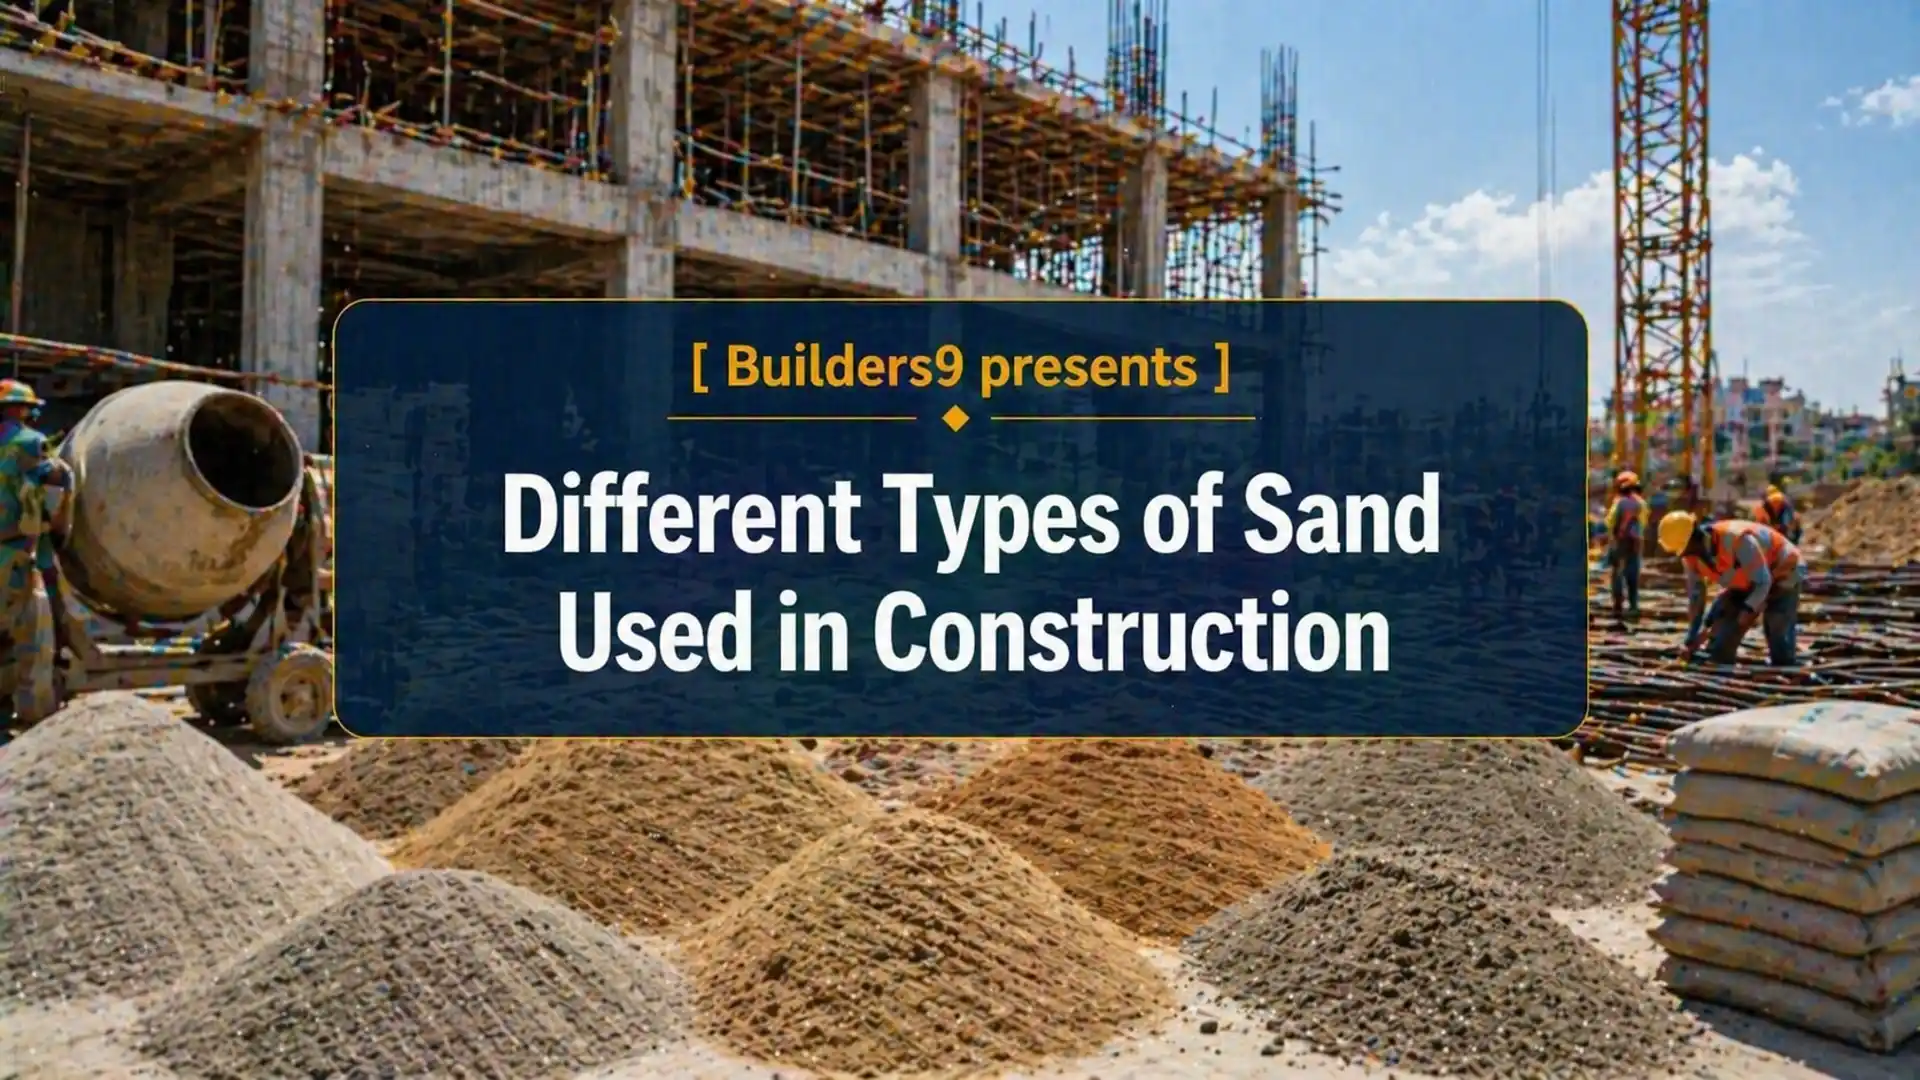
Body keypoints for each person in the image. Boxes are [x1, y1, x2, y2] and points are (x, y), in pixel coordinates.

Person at [1656, 510, 1804, 667]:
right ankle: (1721, 664)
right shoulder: (1690, 557)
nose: (1685, 555)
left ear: (1695, 537)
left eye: (1686, 550)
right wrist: (1693, 636)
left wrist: (1748, 609)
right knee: (1722, 625)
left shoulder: (1737, 540)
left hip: (1784, 568)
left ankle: (1785, 668)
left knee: (1776, 628)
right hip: (1747, 579)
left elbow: (1762, 582)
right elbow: (1696, 597)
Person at [0, 379, 62, 722]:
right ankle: (34, 714)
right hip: (18, 556)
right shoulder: (30, 444)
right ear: (25, 409)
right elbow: (56, 487)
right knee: (33, 640)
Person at [1603, 470, 1648, 625]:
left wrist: (1618, 534)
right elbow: (1642, 524)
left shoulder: (1621, 502)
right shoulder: (1641, 503)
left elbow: (1616, 522)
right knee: (1632, 573)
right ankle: (1633, 605)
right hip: (1636, 541)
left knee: (1617, 573)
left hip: (1621, 540)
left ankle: (1618, 604)